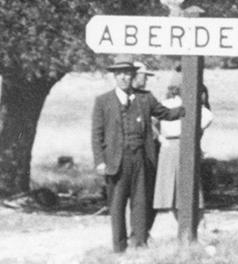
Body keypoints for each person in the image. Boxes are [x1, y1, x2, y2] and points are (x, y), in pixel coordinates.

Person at [90, 59, 183, 252]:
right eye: (120, 74)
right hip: (116, 160)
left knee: (141, 202)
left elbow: (165, 113)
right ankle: (119, 247)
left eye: (127, 74)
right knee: (116, 205)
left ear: (133, 76)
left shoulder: (145, 98)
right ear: (115, 77)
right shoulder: (103, 101)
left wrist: (188, 108)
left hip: (140, 157)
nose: (124, 78)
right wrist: (99, 161)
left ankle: (139, 243)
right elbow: (96, 134)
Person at [152, 78, 213, 221]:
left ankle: (194, 222)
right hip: (169, 145)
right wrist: (160, 138)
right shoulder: (167, 104)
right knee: (169, 187)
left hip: (187, 145)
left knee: (189, 186)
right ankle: (175, 222)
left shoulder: (199, 109)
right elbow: (152, 121)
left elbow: (203, 124)